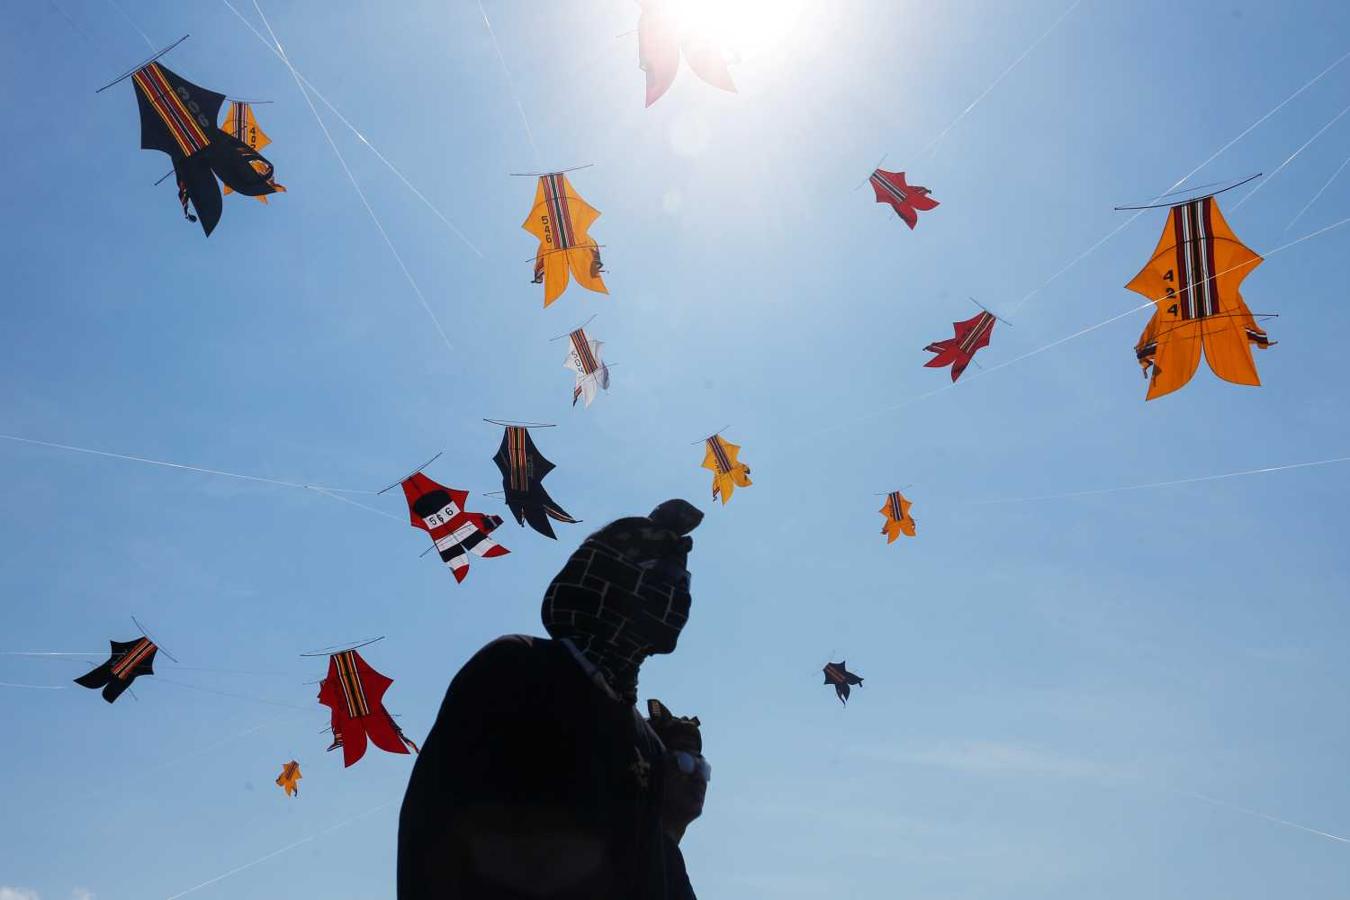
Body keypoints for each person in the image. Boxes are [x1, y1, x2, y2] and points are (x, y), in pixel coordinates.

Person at [397, 499, 704, 899]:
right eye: (662, 577)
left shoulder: (644, 741)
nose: (678, 598)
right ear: (611, 579)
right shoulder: (518, 669)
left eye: (684, 583)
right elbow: (434, 823)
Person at [646, 699, 709, 900]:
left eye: (702, 766)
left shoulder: (666, 858)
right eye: (686, 762)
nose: (698, 775)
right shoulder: (641, 856)